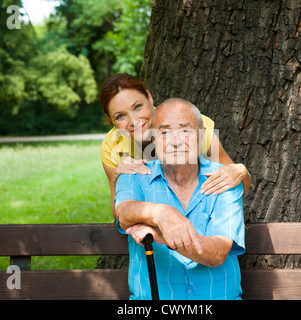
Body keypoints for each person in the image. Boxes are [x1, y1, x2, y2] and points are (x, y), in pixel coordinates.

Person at [115, 98, 245, 300]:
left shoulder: (224, 179)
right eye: (165, 133)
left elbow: (218, 252)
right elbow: (124, 212)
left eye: (185, 131)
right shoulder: (134, 176)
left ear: (201, 136)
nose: (175, 141)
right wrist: (160, 213)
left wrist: (159, 235)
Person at [99, 73, 251, 217]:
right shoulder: (113, 146)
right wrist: (117, 179)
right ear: (111, 120)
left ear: (149, 98)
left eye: (137, 107)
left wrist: (241, 171)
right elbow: (117, 212)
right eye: (120, 116)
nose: (134, 121)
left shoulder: (189, 125)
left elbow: (237, 184)